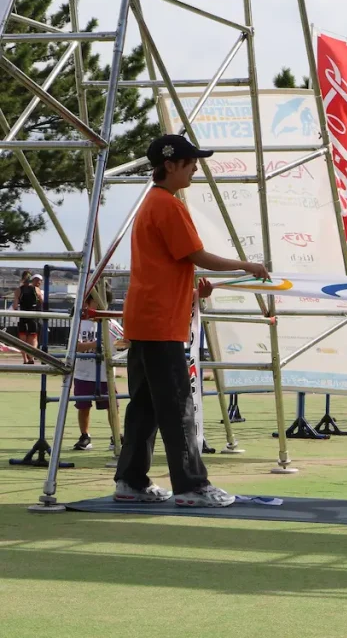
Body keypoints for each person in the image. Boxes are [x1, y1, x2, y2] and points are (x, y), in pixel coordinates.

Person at [113, 133, 269, 508]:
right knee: (177, 404)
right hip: (161, 321)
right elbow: (196, 254)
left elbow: (174, 263)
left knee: (146, 405)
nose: (196, 166)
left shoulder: (152, 203)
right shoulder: (167, 204)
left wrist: (194, 289)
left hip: (146, 317)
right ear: (171, 165)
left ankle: (130, 480)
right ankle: (190, 485)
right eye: (190, 161)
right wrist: (246, 265)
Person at [72, 289, 127, 451]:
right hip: (84, 373)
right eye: (97, 301)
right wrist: (93, 345)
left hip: (105, 374)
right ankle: (85, 436)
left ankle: (115, 435)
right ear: (88, 303)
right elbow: (75, 346)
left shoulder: (112, 324)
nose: (102, 305)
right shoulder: (81, 323)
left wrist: (120, 346)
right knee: (83, 406)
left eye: (105, 302)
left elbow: (123, 345)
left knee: (112, 406)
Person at [13, 271, 42, 364]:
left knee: (22, 339)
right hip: (33, 315)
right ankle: (31, 357)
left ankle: (25, 359)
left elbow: (15, 306)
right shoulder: (36, 289)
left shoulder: (19, 290)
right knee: (33, 338)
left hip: (23, 315)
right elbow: (41, 301)